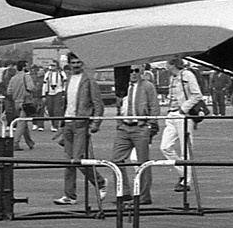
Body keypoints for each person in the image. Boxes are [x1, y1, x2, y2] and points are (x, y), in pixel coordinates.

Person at [54, 53, 106, 205]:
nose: (76, 65)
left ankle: (100, 182)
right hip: (68, 124)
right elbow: (66, 103)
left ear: (82, 63)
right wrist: (62, 124)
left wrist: (95, 124)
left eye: (78, 62)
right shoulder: (68, 79)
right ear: (69, 64)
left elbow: (98, 104)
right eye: (73, 63)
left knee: (77, 160)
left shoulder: (89, 80)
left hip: (81, 125)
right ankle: (69, 196)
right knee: (68, 162)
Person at [111, 66, 160, 205]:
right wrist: (119, 123)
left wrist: (150, 126)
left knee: (143, 162)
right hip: (124, 127)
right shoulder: (122, 86)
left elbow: (154, 107)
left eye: (136, 71)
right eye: (130, 71)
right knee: (115, 160)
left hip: (140, 127)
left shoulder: (147, 86)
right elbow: (119, 106)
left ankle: (144, 196)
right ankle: (124, 192)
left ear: (142, 72)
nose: (133, 74)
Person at [160, 57, 205, 193]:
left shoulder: (187, 75)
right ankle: (183, 172)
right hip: (171, 114)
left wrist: (183, 109)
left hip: (183, 115)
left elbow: (197, 95)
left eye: (166, 63)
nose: (164, 65)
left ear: (172, 64)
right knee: (165, 147)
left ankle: (186, 181)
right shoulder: (173, 77)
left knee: (185, 149)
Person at [3, 60, 35, 150]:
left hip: (16, 102)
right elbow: (31, 87)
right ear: (24, 67)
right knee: (21, 123)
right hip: (25, 102)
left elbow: (9, 91)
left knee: (23, 122)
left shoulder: (14, 78)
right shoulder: (27, 77)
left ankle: (30, 142)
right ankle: (15, 143)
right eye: (27, 66)